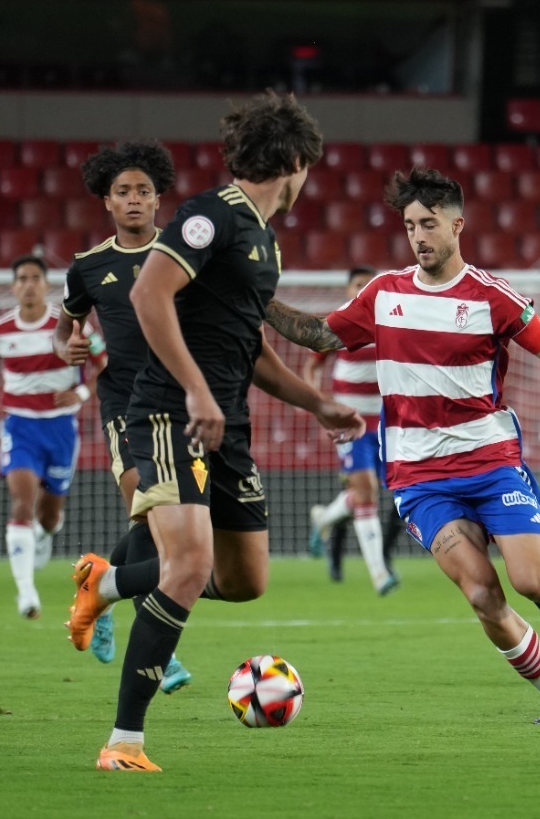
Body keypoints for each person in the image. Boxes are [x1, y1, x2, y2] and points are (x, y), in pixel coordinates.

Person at [264, 168, 540, 725]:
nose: (418, 236)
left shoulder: (491, 298)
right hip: (418, 479)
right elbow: (318, 334)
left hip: (490, 463)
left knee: (533, 583)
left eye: (428, 224)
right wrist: (256, 298)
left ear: (457, 224)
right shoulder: (384, 294)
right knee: (482, 594)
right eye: (410, 226)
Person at [64, 92, 363, 772]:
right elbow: (147, 296)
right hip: (171, 413)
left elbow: (251, 350)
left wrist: (318, 403)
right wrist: (197, 390)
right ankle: (124, 745)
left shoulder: (263, 240)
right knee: (189, 568)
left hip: (227, 428)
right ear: (293, 160)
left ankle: (105, 584)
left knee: (244, 580)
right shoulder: (211, 215)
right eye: (307, 166)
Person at [54, 139, 189, 694]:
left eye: (143, 191)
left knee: (155, 530)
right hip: (125, 407)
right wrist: (70, 348)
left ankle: (100, 586)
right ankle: (156, 644)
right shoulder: (89, 267)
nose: (133, 200)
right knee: (148, 514)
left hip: (181, 405)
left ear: (158, 198)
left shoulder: (184, 255)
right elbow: (68, 328)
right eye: (122, 192)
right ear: (106, 202)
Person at [0, 255, 101, 619]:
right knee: (21, 503)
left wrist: (83, 394)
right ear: (14, 286)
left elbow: (104, 363)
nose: (28, 284)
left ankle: (44, 535)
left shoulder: (70, 326)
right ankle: (27, 593)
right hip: (20, 426)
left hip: (60, 428)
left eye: (35, 278)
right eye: (22, 278)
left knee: (47, 516)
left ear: (46, 285)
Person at [301, 266, 401, 595]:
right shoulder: (339, 324)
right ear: (347, 290)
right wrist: (318, 403)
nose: (363, 290)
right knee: (368, 489)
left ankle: (324, 518)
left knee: (368, 492)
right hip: (350, 423)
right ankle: (378, 574)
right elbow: (313, 365)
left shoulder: (391, 323)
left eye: (367, 285)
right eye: (358, 285)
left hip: (387, 422)